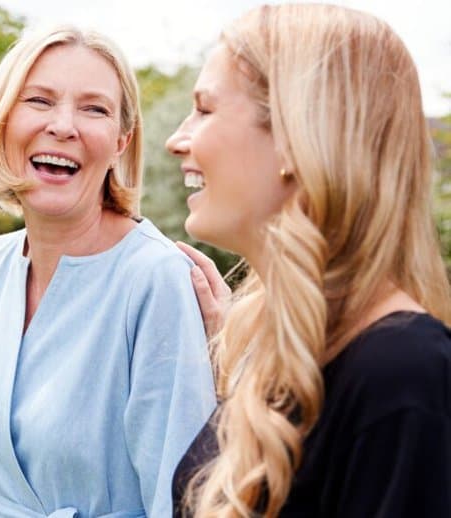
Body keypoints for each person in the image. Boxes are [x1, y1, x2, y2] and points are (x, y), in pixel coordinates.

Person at [165, 4, 451, 517]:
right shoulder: (276, 349)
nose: (176, 140)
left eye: (205, 110)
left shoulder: (402, 371)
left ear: (298, 137)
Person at [0, 26, 214, 518]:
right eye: (39, 100)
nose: (63, 126)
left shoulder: (154, 279)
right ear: (3, 120)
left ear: (121, 141)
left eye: (94, 108)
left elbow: (181, 498)